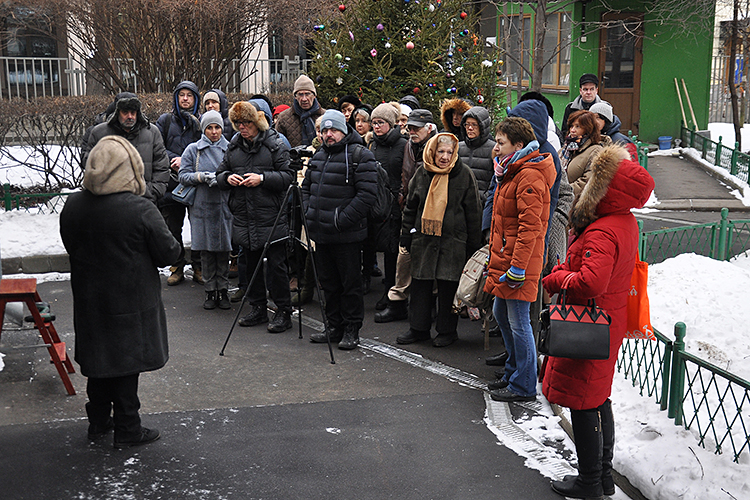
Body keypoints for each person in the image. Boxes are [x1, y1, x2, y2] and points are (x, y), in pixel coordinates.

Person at [542, 144, 654, 499]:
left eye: (592, 177)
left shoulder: (603, 230)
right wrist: (567, 268)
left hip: (588, 327)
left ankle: (590, 481)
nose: (585, 180)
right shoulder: (622, 221)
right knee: (598, 399)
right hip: (606, 323)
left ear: (605, 188)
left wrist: (557, 279)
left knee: (584, 403)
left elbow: (592, 282)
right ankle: (602, 477)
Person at [60, 135, 181, 449]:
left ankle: (98, 421)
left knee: (100, 359)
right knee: (126, 362)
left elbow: (70, 245)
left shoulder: (74, 205)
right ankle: (128, 427)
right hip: (131, 299)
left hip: (89, 298)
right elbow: (169, 252)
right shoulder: (140, 208)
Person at [484, 117, 556, 402]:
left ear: (519, 145)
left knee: (518, 321)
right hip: (509, 258)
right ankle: (514, 370)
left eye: (501, 143)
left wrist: (517, 268)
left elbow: (531, 227)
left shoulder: (528, 175)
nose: (496, 148)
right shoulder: (513, 170)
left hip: (519, 264)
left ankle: (524, 385)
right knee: (502, 314)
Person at [396, 133, 482, 348]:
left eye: (449, 152)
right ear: (432, 152)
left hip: (453, 241)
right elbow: (410, 207)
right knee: (420, 286)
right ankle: (418, 329)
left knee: (448, 288)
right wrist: (406, 234)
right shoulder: (422, 173)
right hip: (424, 239)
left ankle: (447, 331)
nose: (444, 157)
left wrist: (474, 243)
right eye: (440, 152)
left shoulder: (464, 174)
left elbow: (473, 211)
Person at [216, 101, 295, 333]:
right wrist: (227, 178)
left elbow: (288, 176)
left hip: (271, 214)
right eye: (238, 123)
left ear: (256, 122)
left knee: (277, 267)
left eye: (247, 123)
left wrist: (262, 178)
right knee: (251, 265)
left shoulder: (274, 144)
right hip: (244, 215)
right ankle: (258, 307)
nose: (242, 127)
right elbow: (220, 173)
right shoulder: (234, 146)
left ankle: (283, 311)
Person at [302, 109, 377, 350]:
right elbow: (306, 188)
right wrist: (308, 211)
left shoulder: (360, 155)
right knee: (328, 283)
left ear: (343, 131)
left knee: (349, 284)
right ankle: (333, 325)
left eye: (333, 130)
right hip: (321, 232)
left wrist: (341, 219)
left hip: (347, 235)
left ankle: (351, 328)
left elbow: (367, 195)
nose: (328, 134)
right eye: (324, 130)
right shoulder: (319, 156)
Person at [375, 109, 437, 323]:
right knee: (403, 259)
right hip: (409, 209)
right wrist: (402, 195)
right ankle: (398, 305)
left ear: (429, 127)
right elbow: (406, 175)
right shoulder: (410, 145)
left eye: (416, 128)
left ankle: (428, 312)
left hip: (430, 213)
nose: (411, 131)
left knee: (426, 264)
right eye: (409, 127)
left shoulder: (439, 147)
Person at [178, 110, 233, 310]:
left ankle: (224, 290)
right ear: (203, 129)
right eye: (209, 127)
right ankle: (210, 290)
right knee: (207, 252)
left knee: (224, 250)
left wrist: (224, 179)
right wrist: (201, 177)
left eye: (217, 127)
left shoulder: (230, 149)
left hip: (224, 205)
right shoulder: (193, 149)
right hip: (201, 207)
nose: (214, 132)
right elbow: (183, 175)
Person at [81, 93, 169, 205]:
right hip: (108, 203)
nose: (130, 117)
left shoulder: (152, 132)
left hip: (144, 201)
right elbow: (89, 164)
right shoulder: (99, 133)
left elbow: (162, 166)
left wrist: (151, 192)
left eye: (133, 113)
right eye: (125, 112)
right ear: (117, 113)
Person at [156, 80, 203, 286]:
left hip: (196, 183)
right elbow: (157, 147)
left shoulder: (202, 121)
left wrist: (187, 160)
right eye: (182, 95)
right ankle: (177, 266)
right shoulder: (165, 121)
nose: (185, 99)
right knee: (173, 228)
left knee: (199, 227)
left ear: (195, 99)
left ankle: (199, 265)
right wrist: (175, 159)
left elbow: (209, 147)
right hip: (172, 184)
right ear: (176, 98)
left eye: (189, 95)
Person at [368, 102, 408, 311]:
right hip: (376, 202)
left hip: (395, 202)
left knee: (393, 251)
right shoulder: (372, 145)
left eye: (380, 123)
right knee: (377, 246)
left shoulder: (403, 145)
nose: (376, 126)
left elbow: (406, 172)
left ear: (391, 124)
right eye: (374, 123)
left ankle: (391, 292)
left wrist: (400, 195)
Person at [562, 110, 612, 196]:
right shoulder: (566, 147)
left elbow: (588, 181)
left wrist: (564, 192)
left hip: (574, 201)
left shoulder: (595, 151)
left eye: (577, 126)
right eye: (571, 126)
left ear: (588, 129)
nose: (572, 130)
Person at [458, 106, 496, 204]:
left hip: (482, 205)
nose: (470, 128)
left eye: (474, 125)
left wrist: (485, 197)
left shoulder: (494, 149)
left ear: (482, 126)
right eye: (467, 124)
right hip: (459, 205)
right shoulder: (458, 147)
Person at [275, 75, 326, 147]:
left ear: (314, 95)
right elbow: (278, 145)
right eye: (300, 94)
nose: (304, 99)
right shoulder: (284, 118)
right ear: (295, 97)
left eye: (307, 94)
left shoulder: (325, 116)